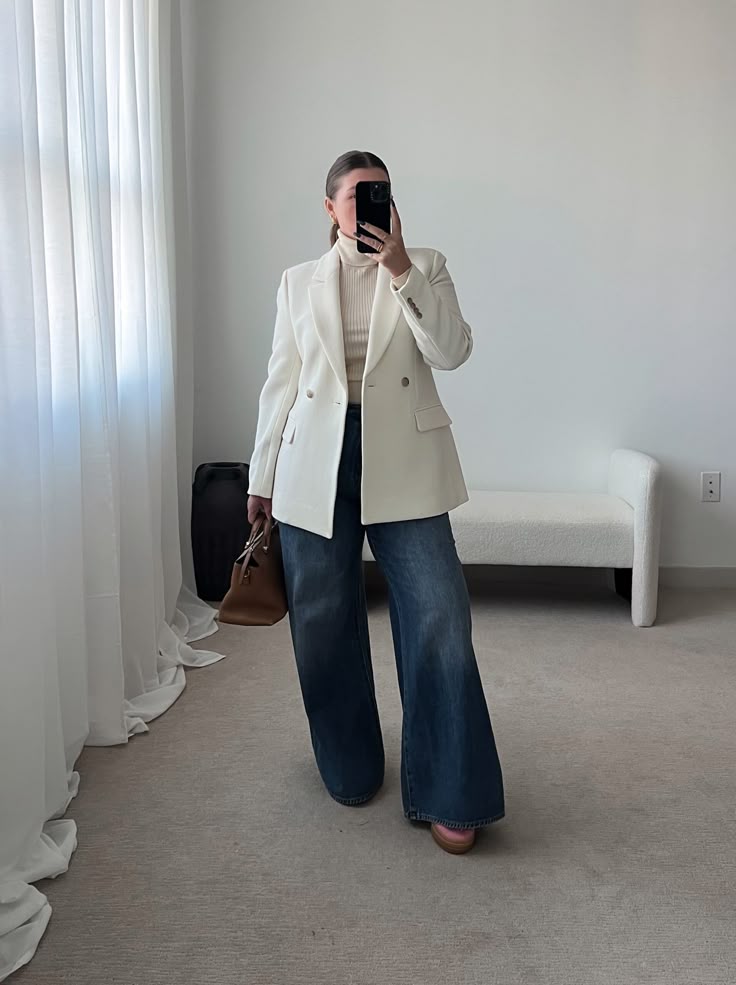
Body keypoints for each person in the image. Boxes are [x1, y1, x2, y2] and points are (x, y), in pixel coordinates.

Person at [246, 150, 504, 854]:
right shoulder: (297, 283)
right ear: (329, 207)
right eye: (355, 196)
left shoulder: (424, 263)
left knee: (440, 613)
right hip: (312, 461)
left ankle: (452, 786)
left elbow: (453, 352)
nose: (368, 207)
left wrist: (399, 270)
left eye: (379, 195)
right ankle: (349, 761)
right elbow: (281, 380)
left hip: (406, 456)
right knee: (323, 620)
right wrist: (260, 477)